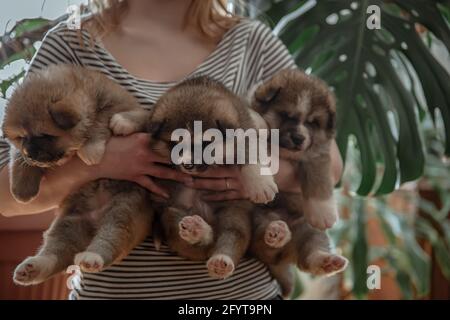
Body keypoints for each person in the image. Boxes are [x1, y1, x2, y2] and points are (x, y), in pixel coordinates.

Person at [0, 0, 343, 299]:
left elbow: (329, 164)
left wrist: (250, 167)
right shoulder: (71, 41)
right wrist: (101, 163)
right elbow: (6, 196)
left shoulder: (251, 41)